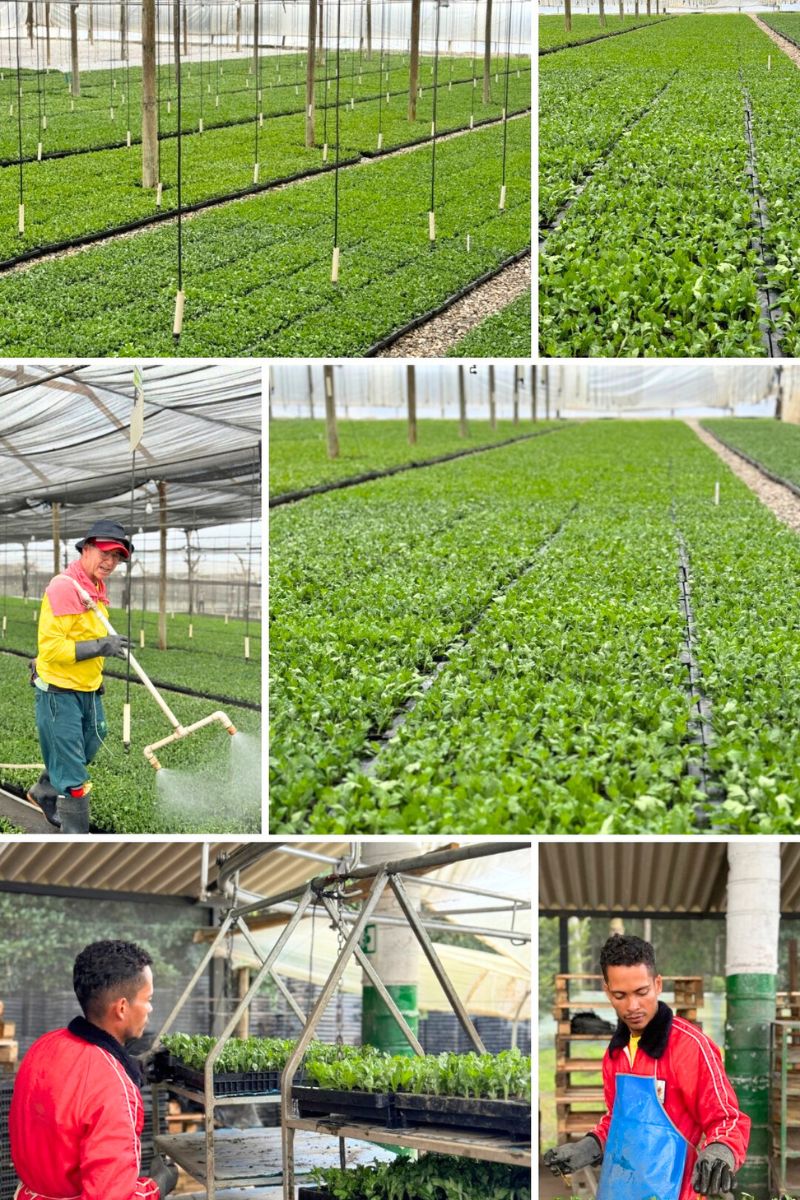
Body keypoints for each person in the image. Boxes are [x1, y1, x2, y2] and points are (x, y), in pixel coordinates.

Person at [544, 933, 750, 1200]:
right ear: (607, 991)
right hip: (621, 1188)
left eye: (642, 992)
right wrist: (589, 1146)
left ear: (658, 984)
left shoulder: (690, 1047)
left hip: (678, 1191)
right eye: (620, 995)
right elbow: (619, 1120)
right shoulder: (615, 1054)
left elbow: (728, 1119)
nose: (633, 1006)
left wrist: (720, 1151)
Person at [9, 939, 178, 1200]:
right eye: (149, 999)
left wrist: (133, 1065)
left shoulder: (43, 1046)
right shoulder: (114, 1091)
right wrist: (156, 1186)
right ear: (122, 1008)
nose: (150, 1008)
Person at [27, 519, 133, 834]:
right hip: (59, 692)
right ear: (86, 548)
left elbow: (82, 632)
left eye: (117, 557)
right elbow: (53, 649)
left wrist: (96, 673)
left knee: (94, 736)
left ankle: (45, 789)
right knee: (74, 775)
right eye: (105, 552)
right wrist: (103, 645)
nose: (111, 561)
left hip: (87, 688)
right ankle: (76, 836)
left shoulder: (95, 588)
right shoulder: (64, 586)